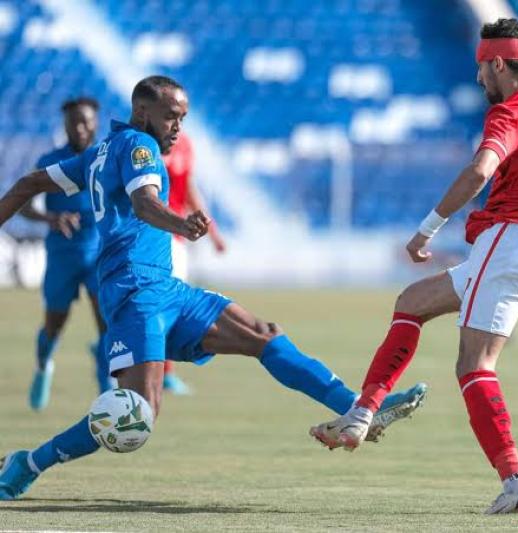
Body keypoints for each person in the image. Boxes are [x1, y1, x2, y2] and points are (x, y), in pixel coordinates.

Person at [0, 75, 426, 500]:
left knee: (264, 334)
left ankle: (358, 408)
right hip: (135, 294)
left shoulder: (97, 153)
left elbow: (28, 184)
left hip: (164, 288)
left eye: (183, 118)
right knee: (136, 415)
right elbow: (145, 203)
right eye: (170, 116)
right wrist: (181, 223)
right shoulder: (138, 146)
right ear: (142, 112)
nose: (177, 127)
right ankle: (30, 462)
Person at [310, 18, 518, 515]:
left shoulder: (509, 114)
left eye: (481, 68)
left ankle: (515, 482)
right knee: (411, 302)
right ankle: (363, 412)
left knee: (474, 366)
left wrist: (426, 229)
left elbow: (479, 171)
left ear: (498, 62)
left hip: (513, 239)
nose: (479, 80)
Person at [20, 97, 112, 410]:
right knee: (54, 324)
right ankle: (43, 365)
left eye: (86, 121)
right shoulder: (50, 160)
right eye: (74, 121)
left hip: (99, 254)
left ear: (96, 123)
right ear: (65, 124)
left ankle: (106, 391)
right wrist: (52, 219)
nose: (80, 127)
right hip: (62, 255)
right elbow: (25, 204)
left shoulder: (107, 157)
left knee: (108, 323)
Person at [160, 132, 227, 395]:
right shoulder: (144, 142)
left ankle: (165, 373)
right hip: (148, 236)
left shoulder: (185, 143)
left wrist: (214, 233)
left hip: (176, 238)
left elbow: (188, 189)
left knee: (170, 308)